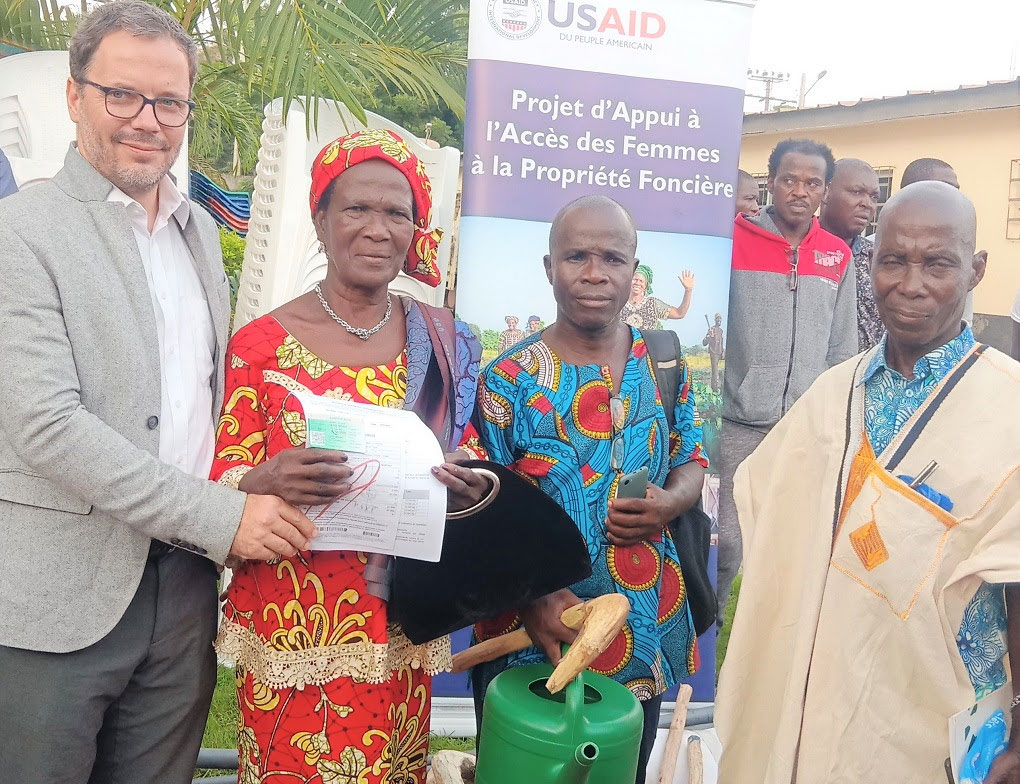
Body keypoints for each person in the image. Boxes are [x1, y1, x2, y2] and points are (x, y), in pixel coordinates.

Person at [0, 4, 315, 783]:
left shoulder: (199, 232)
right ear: (75, 98)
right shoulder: (21, 233)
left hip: (181, 591)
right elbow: (46, 425)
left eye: (169, 102)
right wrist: (225, 515)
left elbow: (200, 402)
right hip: (56, 598)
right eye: (122, 96)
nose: (148, 121)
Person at [716, 182, 1020, 784]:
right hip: (808, 693)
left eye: (937, 263)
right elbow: (774, 525)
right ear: (870, 264)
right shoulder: (835, 391)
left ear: (976, 270)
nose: (911, 284)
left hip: (928, 709)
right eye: (893, 261)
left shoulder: (1008, 405)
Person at [211, 128, 489, 783]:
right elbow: (218, 481)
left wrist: (467, 482)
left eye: (397, 213)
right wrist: (265, 478)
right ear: (320, 219)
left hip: (401, 622)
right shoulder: (262, 345)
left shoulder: (441, 339)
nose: (376, 228)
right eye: (356, 209)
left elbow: (465, 450)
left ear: (415, 231)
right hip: (294, 628)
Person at [472, 195, 708, 784]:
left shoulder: (663, 364)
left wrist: (672, 501)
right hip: (530, 639)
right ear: (549, 267)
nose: (595, 273)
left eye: (612, 258)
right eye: (576, 256)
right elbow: (479, 512)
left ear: (635, 269)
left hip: (641, 631)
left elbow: (692, 456)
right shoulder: (507, 379)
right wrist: (534, 596)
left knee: (617, 772)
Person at [716, 138, 857, 626]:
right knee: (726, 545)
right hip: (736, 422)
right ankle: (702, 651)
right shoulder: (734, 241)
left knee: (792, 548)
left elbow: (842, 349)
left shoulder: (838, 256)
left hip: (804, 427)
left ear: (824, 190)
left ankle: (771, 647)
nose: (800, 191)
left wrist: (835, 420)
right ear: (771, 182)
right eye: (789, 180)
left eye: (812, 182)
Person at [820, 158, 882, 350]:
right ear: (826, 191)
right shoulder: (798, 251)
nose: (867, 204)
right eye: (856, 192)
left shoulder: (877, 258)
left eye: (874, 197)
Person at [620, 263, 695, 330]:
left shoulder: (653, 304)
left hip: (647, 345)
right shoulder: (619, 303)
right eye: (635, 279)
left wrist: (688, 290)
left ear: (646, 286)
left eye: (641, 281)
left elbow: (679, 313)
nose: (637, 283)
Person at [703, 313, 725, 392]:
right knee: (715, 372)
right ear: (715, 320)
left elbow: (721, 342)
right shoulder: (711, 329)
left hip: (720, 352)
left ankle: (723, 387)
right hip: (714, 353)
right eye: (717, 319)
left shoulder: (721, 331)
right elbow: (704, 343)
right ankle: (714, 390)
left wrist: (723, 352)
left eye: (720, 319)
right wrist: (709, 336)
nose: (719, 320)